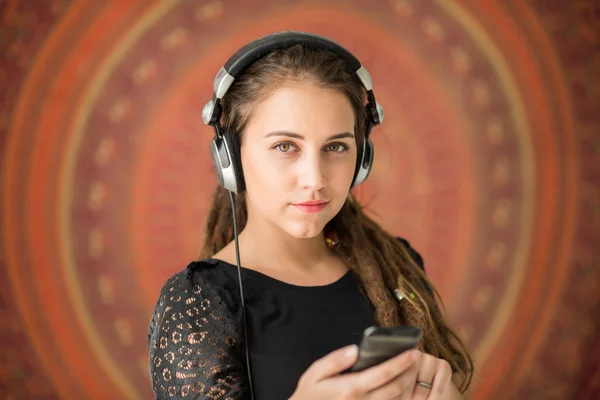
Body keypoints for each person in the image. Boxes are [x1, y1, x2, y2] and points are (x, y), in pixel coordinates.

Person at [148, 31, 473, 399]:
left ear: (362, 158)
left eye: (335, 146)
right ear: (232, 159)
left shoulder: (396, 265)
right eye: (285, 146)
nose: (315, 179)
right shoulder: (198, 303)